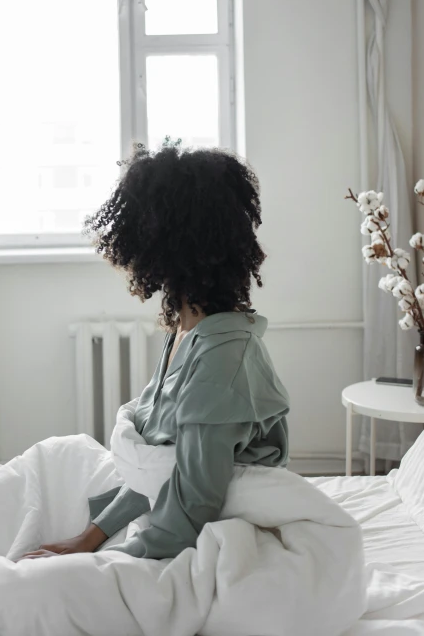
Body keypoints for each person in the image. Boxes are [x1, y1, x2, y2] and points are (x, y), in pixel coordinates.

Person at [21, 142, 289, 562]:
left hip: (200, 533)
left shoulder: (220, 360)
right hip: (162, 515)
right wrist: (89, 538)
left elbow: (193, 505)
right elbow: (162, 466)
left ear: (164, 242)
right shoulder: (188, 329)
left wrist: (97, 561)